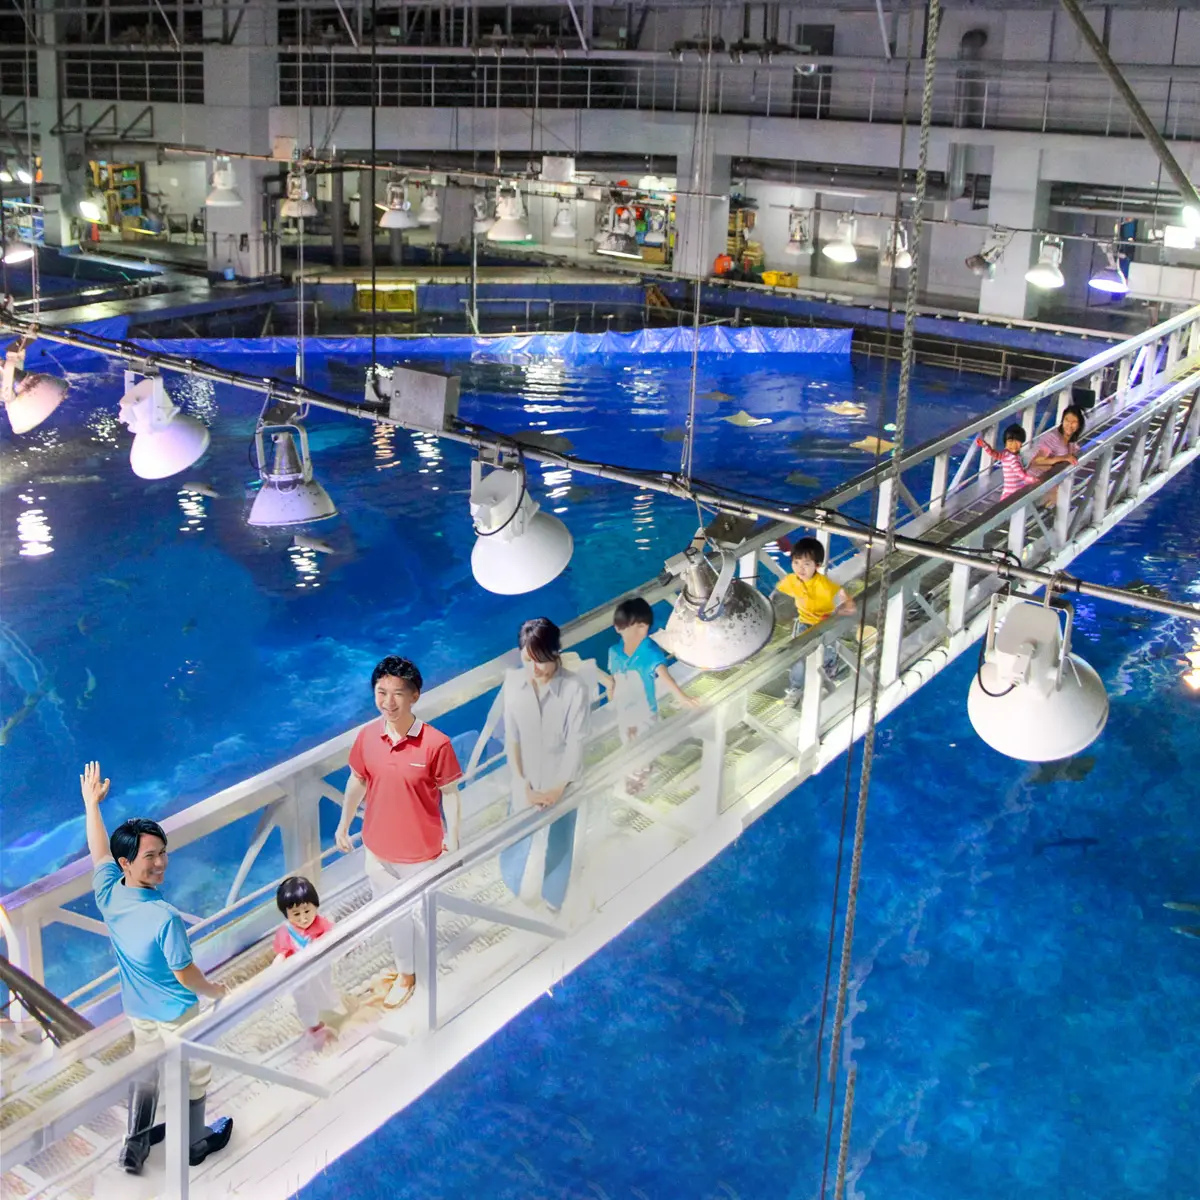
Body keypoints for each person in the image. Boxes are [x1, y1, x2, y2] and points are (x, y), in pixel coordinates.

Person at [80, 761, 232, 1175]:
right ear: (127, 862)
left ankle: (135, 1147)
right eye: (151, 856)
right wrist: (214, 991)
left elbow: (98, 852)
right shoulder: (165, 916)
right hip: (177, 1012)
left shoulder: (109, 894)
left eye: (163, 852)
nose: (161, 862)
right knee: (194, 1072)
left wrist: (91, 806)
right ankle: (194, 1142)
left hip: (137, 1009)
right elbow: (185, 973)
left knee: (145, 1070)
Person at [335, 656, 461, 1010]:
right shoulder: (366, 737)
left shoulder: (436, 744)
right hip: (377, 848)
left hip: (422, 853)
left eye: (398, 694)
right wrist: (343, 825)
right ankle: (407, 974)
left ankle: (425, 977)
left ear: (415, 695)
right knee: (394, 915)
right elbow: (357, 780)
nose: (388, 702)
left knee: (420, 915)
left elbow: (450, 793)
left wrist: (455, 837)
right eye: (381, 692)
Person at [500, 618, 590, 913]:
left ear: (556, 654)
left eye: (541, 661)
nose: (535, 669)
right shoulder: (513, 683)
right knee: (516, 833)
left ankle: (554, 899)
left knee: (560, 841)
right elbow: (511, 738)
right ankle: (510, 886)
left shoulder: (574, 689)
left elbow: (576, 742)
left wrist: (557, 788)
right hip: (525, 777)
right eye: (528, 660)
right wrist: (521, 781)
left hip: (563, 779)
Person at [598, 597, 700, 792]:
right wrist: (612, 702)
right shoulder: (615, 651)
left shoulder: (649, 651)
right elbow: (614, 680)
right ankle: (641, 772)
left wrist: (682, 697)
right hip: (625, 711)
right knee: (631, 742)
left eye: (642, 627)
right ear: (619, 628)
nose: (640, 632)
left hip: (645, 711)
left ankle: (641, 776)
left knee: (640, 746)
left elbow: (664, 674)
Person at [775, 537, 857, 704]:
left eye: (806, 564)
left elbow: (844, 597)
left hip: (824, 623)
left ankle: (829, 672)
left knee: (828, 651)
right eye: (796, 563)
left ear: (817, 566)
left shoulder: (825, 586)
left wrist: (844, 608)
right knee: (798, 657)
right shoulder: (791, 580)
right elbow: (775, 596)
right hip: (804, 622)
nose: (800, 568)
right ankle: (796, 688)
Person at [272, 876, 341, 1044]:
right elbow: (281, 954)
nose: (303, 918)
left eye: (307, 911)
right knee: (304, 1001)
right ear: (286, 914)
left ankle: (329, 1008)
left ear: (315, 906)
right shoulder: (286, 932)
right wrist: (275, 972)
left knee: (324, 990)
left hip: (320, 969)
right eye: (295, 914)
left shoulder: (320, 923)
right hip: (299, 976)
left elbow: (335, 935)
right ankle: (313, 1026)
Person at [1030, 404, 1086, 505]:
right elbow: (1036, 461)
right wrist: (1062, 458)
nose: (1069, 424)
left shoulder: (1072, 443)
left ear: (1079, 425)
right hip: (1035, 483)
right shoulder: (1052, 437)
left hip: (1051, 484)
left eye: (1073, 422)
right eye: (1067, 420)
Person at [976, 424, 1037, 499]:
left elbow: (993, 454)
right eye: (1010, 442)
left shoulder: (1006, 454)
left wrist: (985, 445)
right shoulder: (1011, 458)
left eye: (1017, 442)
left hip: (1009, 491)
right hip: (1014, 491)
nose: (1014, 445)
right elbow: (1021, 475)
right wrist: (1032, 479)